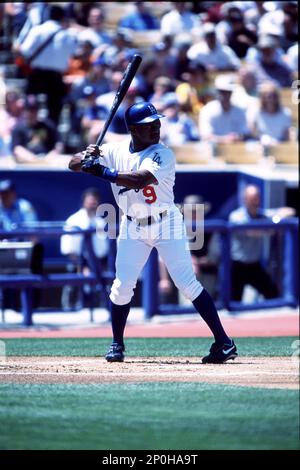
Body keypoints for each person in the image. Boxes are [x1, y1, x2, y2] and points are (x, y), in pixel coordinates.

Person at [68, 101, 238, 364]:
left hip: (166, 222)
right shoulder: (113, 149)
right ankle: (116, 344)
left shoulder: (163, 154)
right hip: (132, 225)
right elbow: (72, 164)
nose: (157, 128)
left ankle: (224, 342)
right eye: (150, 125)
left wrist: (100, 170)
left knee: (186, 283)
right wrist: (87, 157)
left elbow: (139, 179)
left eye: (157, 123)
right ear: (134, 130)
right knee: (122, 285)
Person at [228, 185, 280, 302]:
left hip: (254, 266)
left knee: (272, 292)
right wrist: (270, 228)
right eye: (252, 199)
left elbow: (286, 212)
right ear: (244, 200)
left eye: (257, 198)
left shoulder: (262, 215)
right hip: (237, 266)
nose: (255, 202)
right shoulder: (236, 216)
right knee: (233, 302)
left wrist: (277, 218)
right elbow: (251, 231)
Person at [60, 187, 109, 310]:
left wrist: (98, 266)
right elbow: (68, 249)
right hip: (76, 262)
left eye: (95, 201)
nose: (92, 204)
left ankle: (103, 309)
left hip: (98, 263)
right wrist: (82, 267)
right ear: (84, 202)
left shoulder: (101, 222)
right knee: (73, 278)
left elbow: (104, 249)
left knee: (109, 280)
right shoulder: (73, 221)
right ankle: (70, 308)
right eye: (90, 201)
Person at [199, 74, 251, 144]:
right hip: (213, 150)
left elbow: (245, 134)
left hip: (235, 150)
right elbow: (206, 136)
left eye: (227, 92)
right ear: (217, 92)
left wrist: (237, 137)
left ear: (231, 93)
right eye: (222, 92)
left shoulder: (239, 112)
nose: (224, 95)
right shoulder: (207, 110)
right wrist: (226, 139)